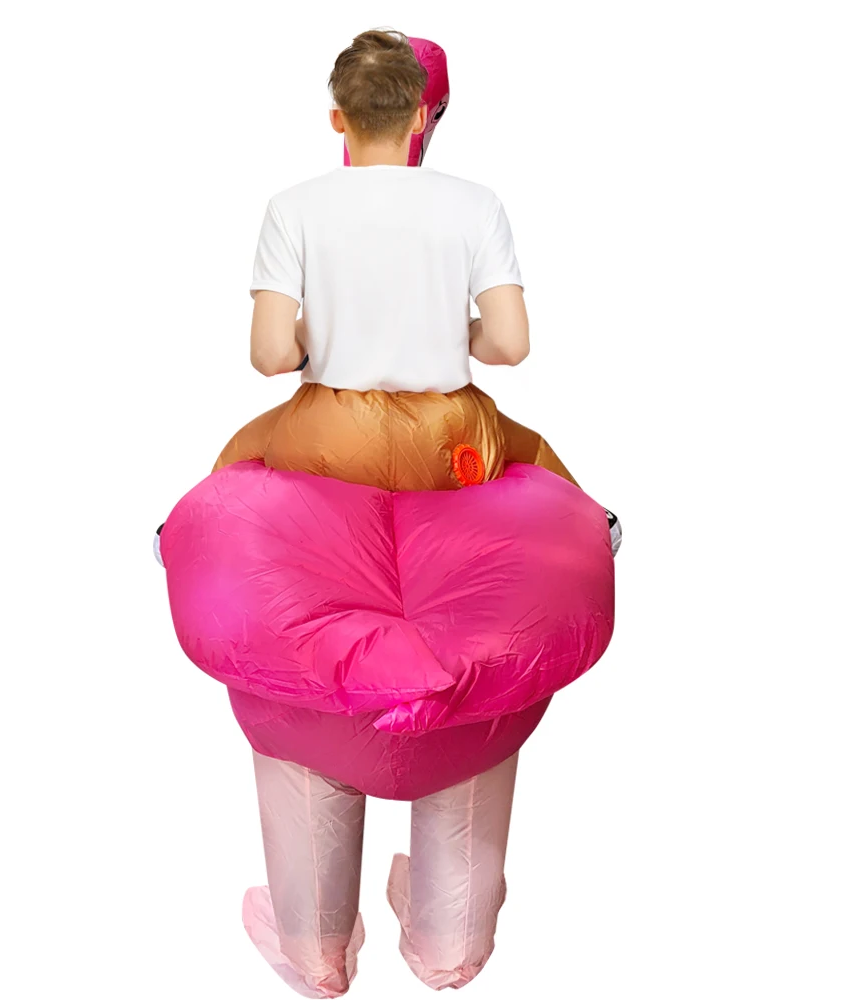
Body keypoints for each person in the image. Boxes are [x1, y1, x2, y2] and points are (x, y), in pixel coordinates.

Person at [193, 30, 602, 997]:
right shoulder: (474, 204)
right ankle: (450, 938)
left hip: (322, 433)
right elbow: (511, 345)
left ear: (337, 118)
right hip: (451, 436)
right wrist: (444, 328)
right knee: (554, 508)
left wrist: (331, 335)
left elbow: (268, 356)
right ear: (423, 114)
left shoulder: (293, 206)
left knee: (229, 497)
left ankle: (315, 945)